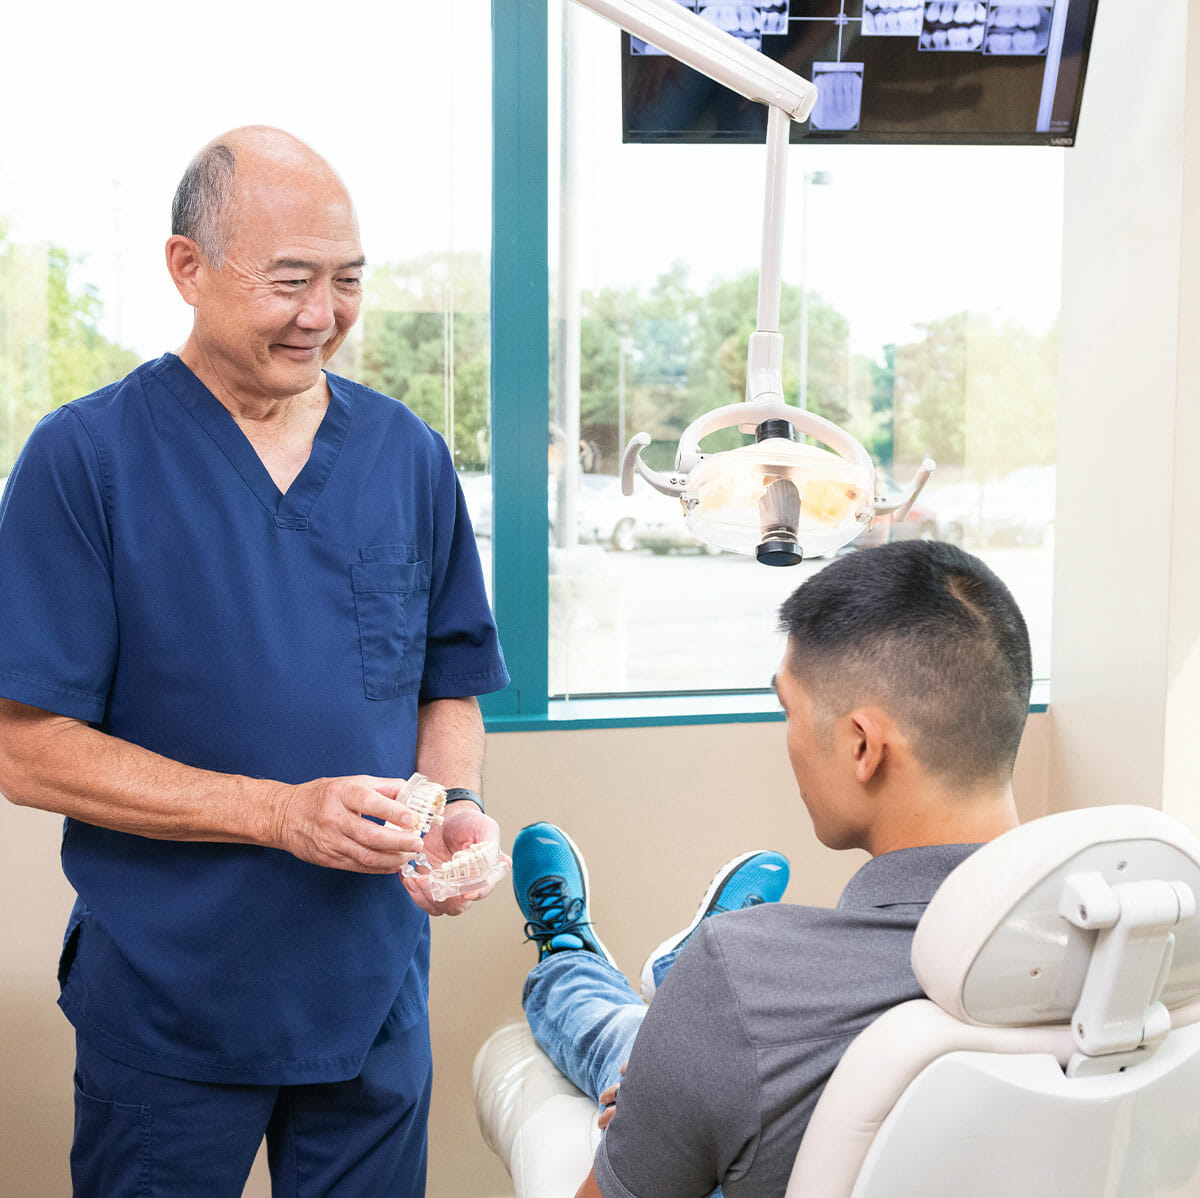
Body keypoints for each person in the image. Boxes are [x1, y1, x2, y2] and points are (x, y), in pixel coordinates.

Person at [0, 126, 509, 1196]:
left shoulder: (405, 454)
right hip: (174, 1003)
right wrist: (277, 813)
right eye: (290, 281)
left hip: (371, 994)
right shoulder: (85, 461)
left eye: (348, 281)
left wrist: (454, 801)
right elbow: (27, 750)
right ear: (187, 267)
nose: (321, 314)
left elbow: (443, 685)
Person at [508, 539, 1031, 1197]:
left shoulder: (747, 982)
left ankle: (567, 956)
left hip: (720, 1031)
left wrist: (653, 1114)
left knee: (643, 1048)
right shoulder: (1134, 954)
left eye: (788, 709)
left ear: (863, 747)